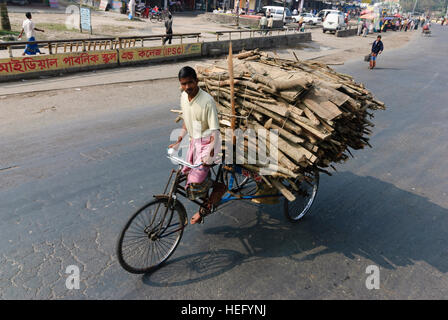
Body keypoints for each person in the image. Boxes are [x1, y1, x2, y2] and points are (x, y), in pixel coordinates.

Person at [169, 67, 221, 225]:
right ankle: (207, 194)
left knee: (196, 181)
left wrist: (210, 154)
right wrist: (179, 140)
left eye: (190, 82)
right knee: (185, 173)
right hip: (193, 142)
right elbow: (187, 120)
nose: (187, 87)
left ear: (196, 81)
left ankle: (218, 189)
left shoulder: (207, 101)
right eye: (183, 84)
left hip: (207, 144)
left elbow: (215, 131)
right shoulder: (184, 97)